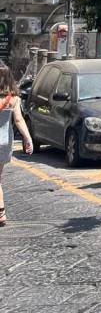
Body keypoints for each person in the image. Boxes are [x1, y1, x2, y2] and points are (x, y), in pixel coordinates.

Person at [0, 64, 34, 227]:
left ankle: (1, 211)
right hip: (5, 143)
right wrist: (28, 139)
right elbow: (19, 121)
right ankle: (1, 212)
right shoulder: (13, 99)